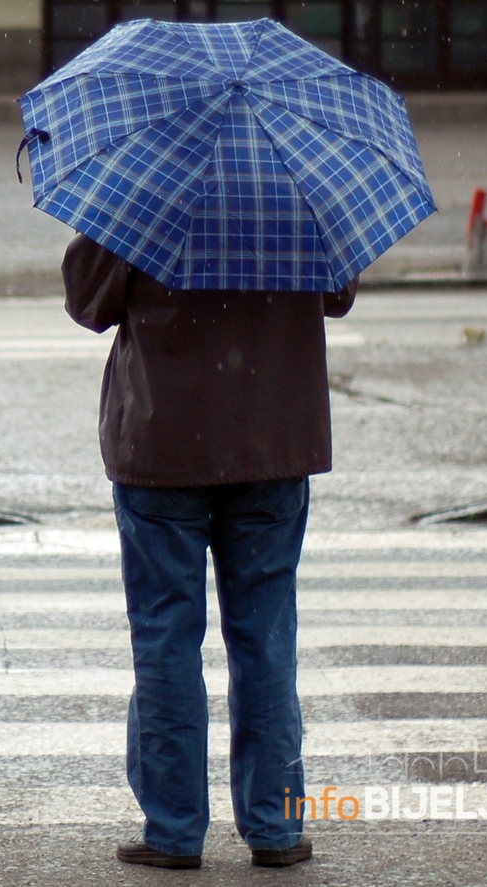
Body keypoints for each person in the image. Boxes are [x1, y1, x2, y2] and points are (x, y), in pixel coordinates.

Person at [62, 234, 357, 871]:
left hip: (163, 443)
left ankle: (173, 829)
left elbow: (87, 301)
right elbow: (339, 293)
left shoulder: (143, 189)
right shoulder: (295, 181)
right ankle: (275, 827)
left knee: (165, 636)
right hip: (274, 438)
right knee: (266, 638)